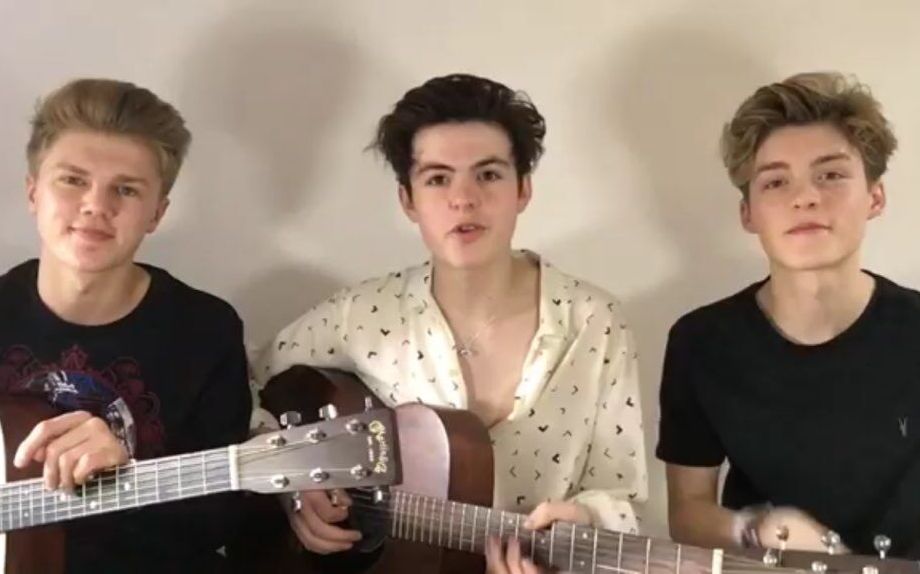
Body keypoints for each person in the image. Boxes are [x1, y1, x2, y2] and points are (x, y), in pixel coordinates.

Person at [254, 73, 648, 573]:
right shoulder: (362, 315)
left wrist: (584, 521)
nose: (464, 199)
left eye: (488, 175)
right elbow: (244, 390)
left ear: (523, 189)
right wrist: (295, 487)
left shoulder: (595, 322)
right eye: (438, 179)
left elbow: (621, 498)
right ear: (408, 200)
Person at [656, 71, 920, 557]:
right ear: (748, 213)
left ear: (875, 196)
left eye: (831, 175)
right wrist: (757, 530)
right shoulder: (701, 342)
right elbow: (688, 513)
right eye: (776, 181)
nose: (805, 197)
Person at [4, 78, 252, 572]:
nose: (96, 205)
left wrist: (124, 479)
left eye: (126, 189)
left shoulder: (206, 331)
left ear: (156, 213)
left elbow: (221, 520)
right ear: (33, 192)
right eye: (73, 180)